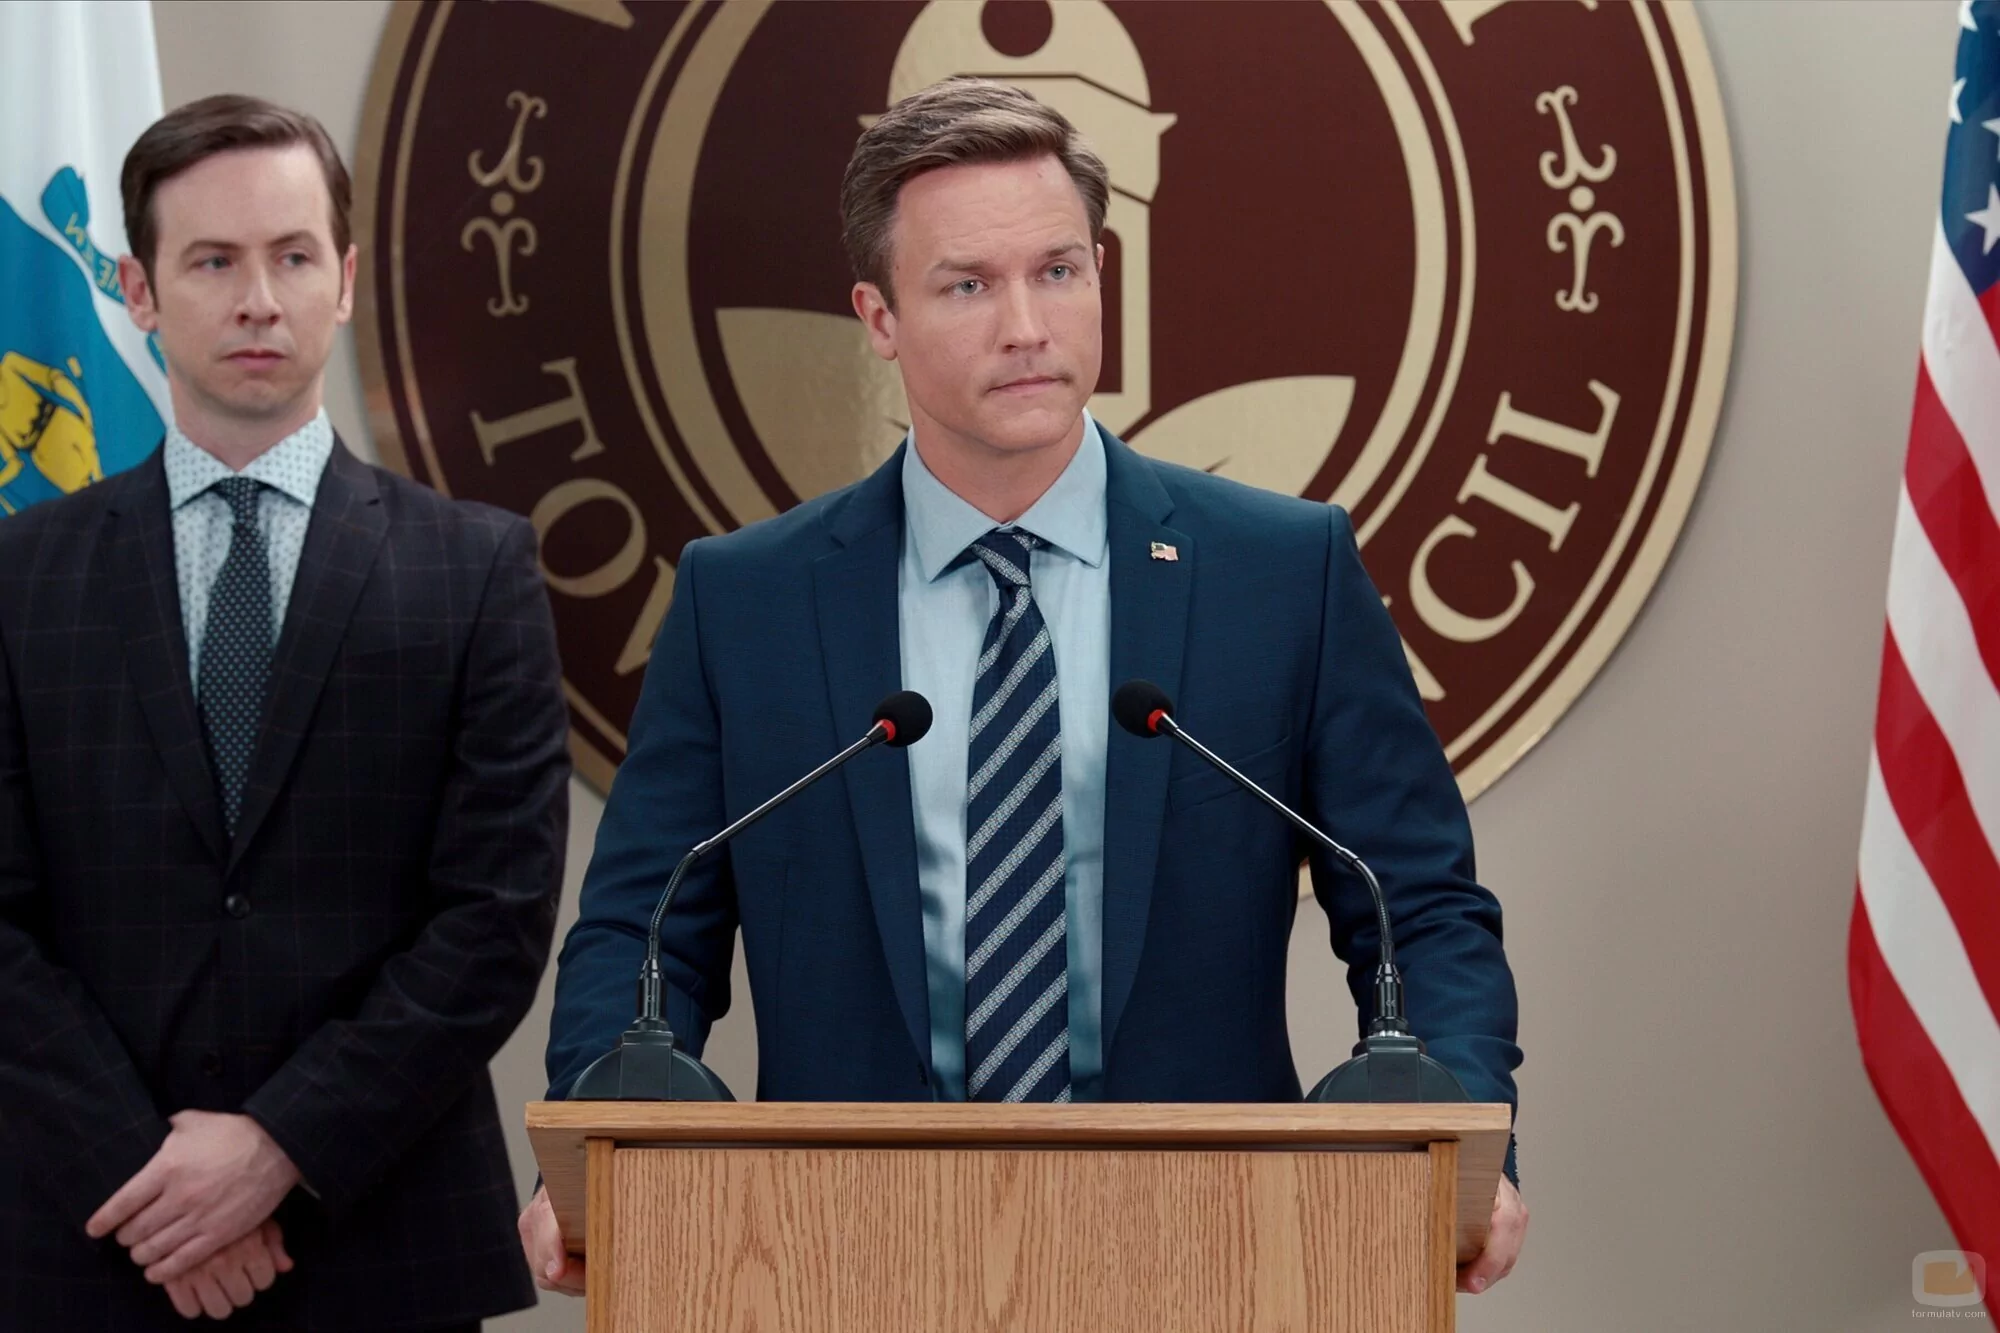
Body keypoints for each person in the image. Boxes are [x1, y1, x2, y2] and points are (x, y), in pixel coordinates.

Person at [526, 76, 1527, 1296]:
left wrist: (1465, 1137)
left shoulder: (1282, 572)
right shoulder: (747, 601)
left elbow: (1416, 907)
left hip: (1214, 1247)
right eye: (966, 285)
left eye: (1056, 271)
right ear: (878, 316)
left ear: (1101, 274)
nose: (1025, 326)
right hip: (842, 1254)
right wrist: (592, 1150)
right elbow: (642, 934)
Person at [0, 95, 570, 1330]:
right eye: (212, 261)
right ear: (138, 292)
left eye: (293, 256)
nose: (258, 299)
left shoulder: (475, 569)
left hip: (385, 1241)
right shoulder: (19, 576)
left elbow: (495, 917)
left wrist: (278, 1148)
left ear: (345, 280)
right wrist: (155, 1193)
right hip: (90, 1244)